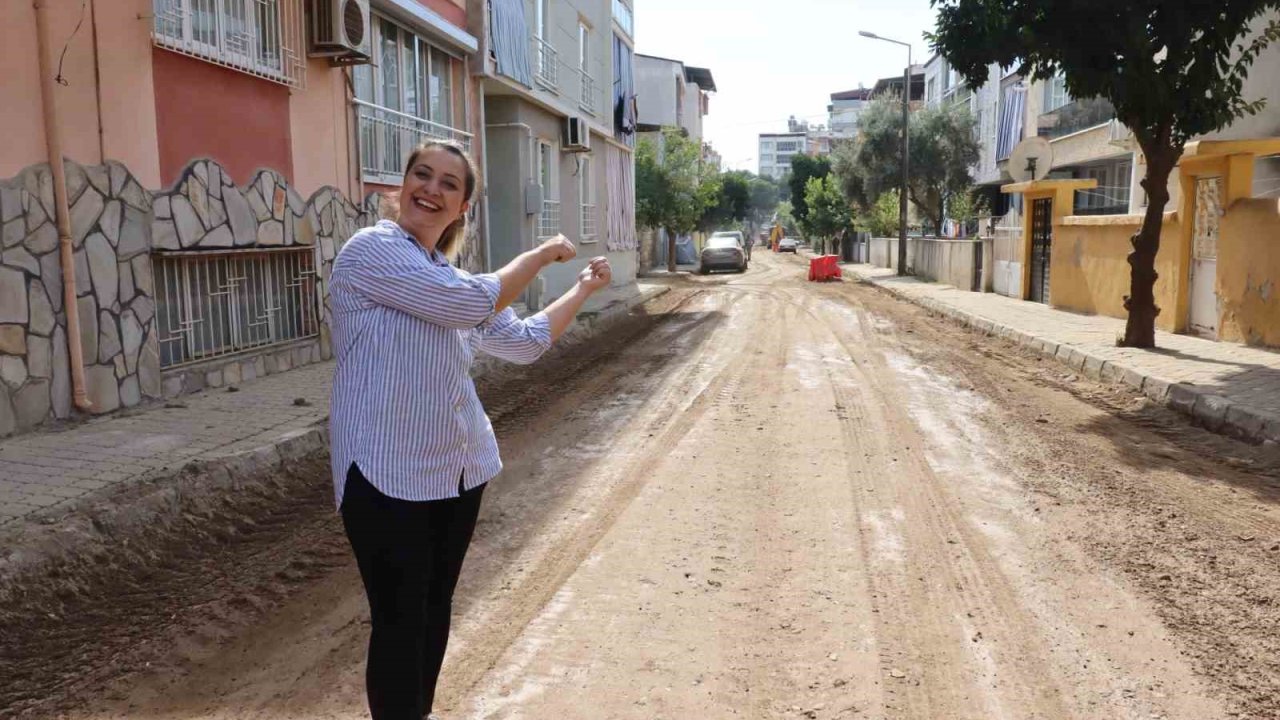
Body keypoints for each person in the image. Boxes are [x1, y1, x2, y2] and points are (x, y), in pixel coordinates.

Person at [327, 139, 611, 720]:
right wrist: (539, 256)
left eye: (448, 184)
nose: (431, 188)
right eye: (422, 175)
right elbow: (472, 304)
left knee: (433, 612)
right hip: (384, 475)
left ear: (461, 208)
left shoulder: (444, 274)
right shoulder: (373, 251)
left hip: (457, 470)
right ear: (400, 186)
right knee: (400, 620)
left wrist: (581, 289)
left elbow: (525, 343)